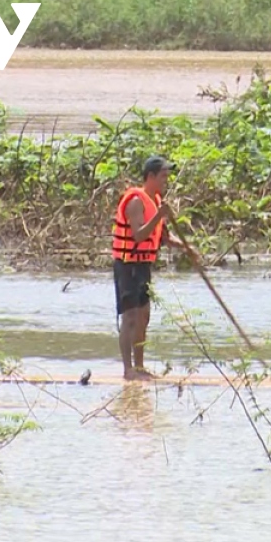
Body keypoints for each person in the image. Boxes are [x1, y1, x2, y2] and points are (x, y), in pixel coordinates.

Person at [112, 156, 178, 381]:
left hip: (143, 265)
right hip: (127, 264)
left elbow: (163, 237)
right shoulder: (136, 201)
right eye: (162, 177)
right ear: (150, 177)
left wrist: (188, 249)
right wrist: (160, 215)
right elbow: (139, 235)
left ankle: (140, 367)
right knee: (130, 316)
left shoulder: (155, 200)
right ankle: (127, 370)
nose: (165, 181)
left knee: (144, 316)